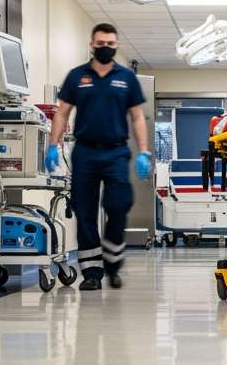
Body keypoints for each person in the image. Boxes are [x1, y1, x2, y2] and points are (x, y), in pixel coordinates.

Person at [47, 24, 151, 291]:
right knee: (85, 212)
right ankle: (92, 272)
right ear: (92, 45)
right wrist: (52, 145)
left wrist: (143, 151)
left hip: (116, 151)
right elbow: (62, 113)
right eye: (101, 43)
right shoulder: (77, 76)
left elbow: (138, 117)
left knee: (118, 207)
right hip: (85, 151)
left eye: (110, 44)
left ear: (117, 46)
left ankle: (112, 263)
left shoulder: (126, 77)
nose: (105, 48)